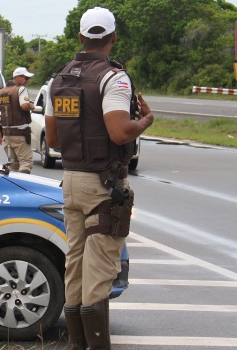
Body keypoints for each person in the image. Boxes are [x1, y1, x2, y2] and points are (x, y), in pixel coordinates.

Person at [44, 7, 154, 349]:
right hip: (103, 186)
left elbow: (54, 140)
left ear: (80, 38)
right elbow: (120, 132)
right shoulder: (114, 78)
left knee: (74, 263)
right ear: (113, 38)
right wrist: (145, 122)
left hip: (71, 182)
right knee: (101, 270)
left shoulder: (59, 80)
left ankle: (79, 345)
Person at [0, 67, 35, 174]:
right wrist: (32, 106)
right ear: (18, 78)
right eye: (25, 78)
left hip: (6, 135)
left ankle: (13, 187)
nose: (27, 81)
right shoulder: (21, 90)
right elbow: (24, 106)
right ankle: (23, 187)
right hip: (20, 134)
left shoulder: (0, 92)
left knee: (13, 165)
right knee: (26, 163)